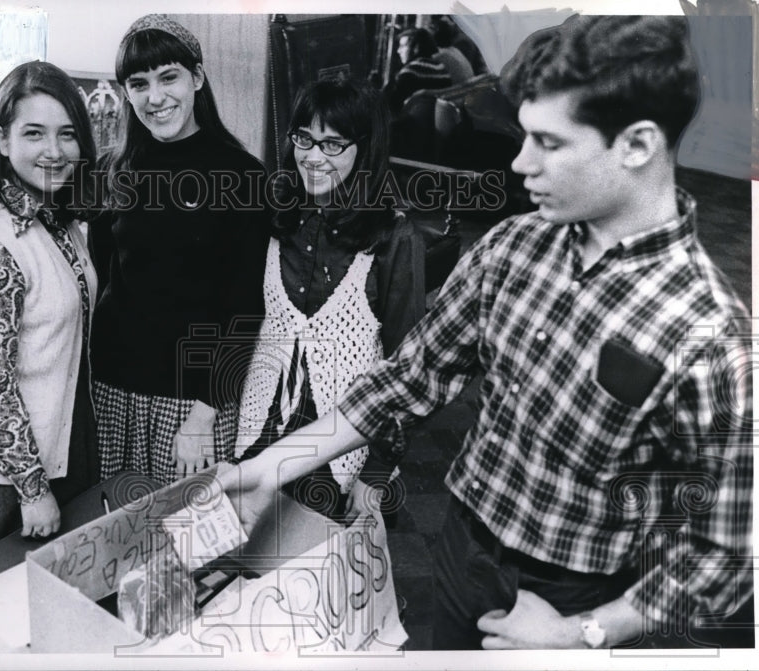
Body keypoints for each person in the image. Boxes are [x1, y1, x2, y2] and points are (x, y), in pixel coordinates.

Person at [220, 15, 752, 650]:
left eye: (547, 142)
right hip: (462, 548)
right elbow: (408, 378)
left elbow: (726, 553)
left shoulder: (710, 332)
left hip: (575, 594)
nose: (520, 163)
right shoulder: (510, 247)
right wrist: (270, 466)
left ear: (636, 145)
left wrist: (582, 633)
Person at [231, 78, 433, 521]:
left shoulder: (395, 239)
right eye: (304, 138)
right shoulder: (275, 215)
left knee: (314, 554)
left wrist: (377, 472)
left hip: (341, 449)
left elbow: (409, 369)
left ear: (366, 149)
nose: (313, 157)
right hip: (261, 425)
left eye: (333, 144)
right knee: (245, 544)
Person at [90, 15, 269, 485]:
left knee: (188, 527)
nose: (155, 97)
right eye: (139, 83)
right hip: (111, 389)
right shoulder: (112, 170)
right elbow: (103, 275)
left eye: (168, 77)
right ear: (126, 93)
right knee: (115, 522)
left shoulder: (241, 175)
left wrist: (204, 414)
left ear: (197, 77)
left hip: (193, 402)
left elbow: (245, 305)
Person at [0, 61, 100, 555]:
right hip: (6, 478)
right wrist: (32, 488)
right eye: (34, 133)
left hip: (59, 446)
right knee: (0, 595)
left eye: (67, 134)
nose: (54, 151)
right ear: (2, 139)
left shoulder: (56, 217)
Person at [386, 28, 466, 115]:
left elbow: (391, 105)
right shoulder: (441, 68)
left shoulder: (411, 72)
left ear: (416, 47)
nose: (398, 51)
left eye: (402, 46)